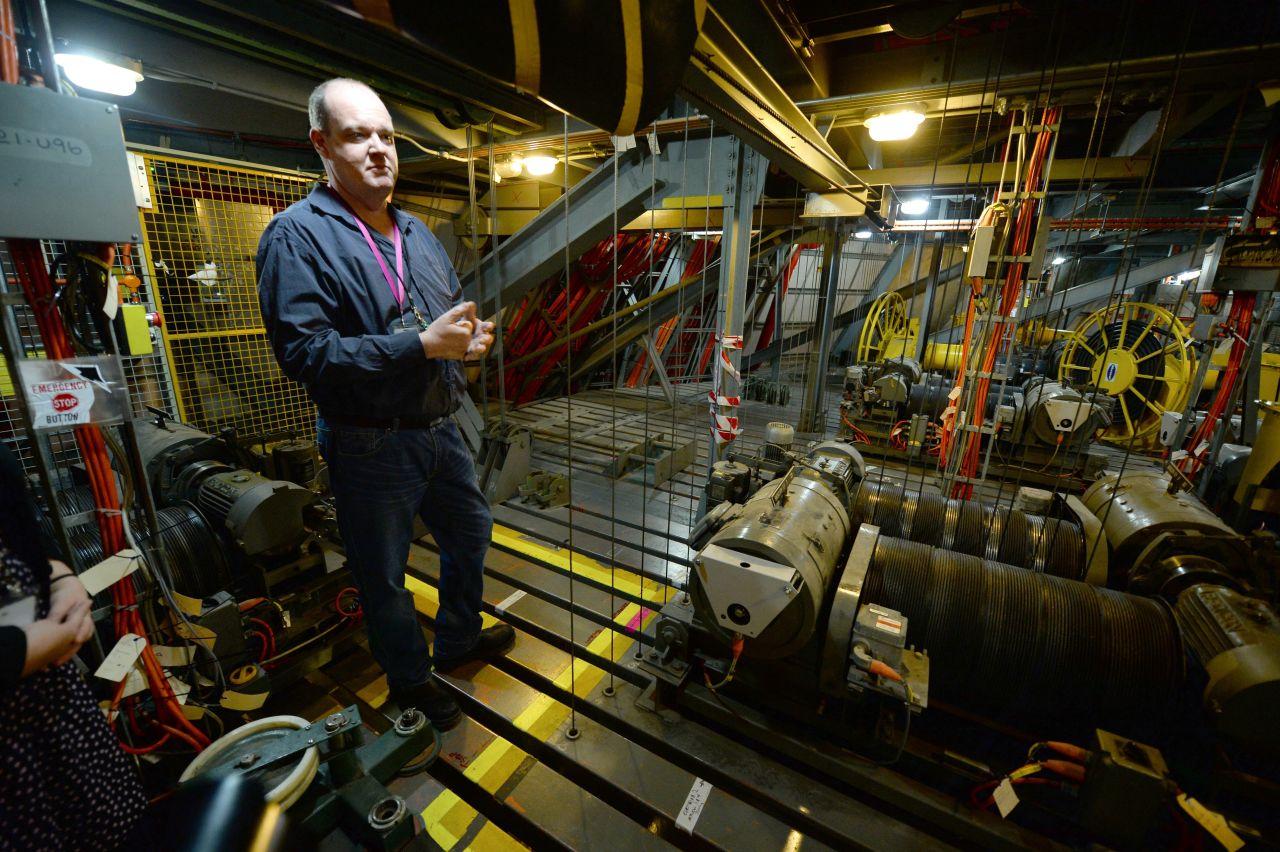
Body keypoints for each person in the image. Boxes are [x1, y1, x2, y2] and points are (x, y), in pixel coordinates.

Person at [257, 78, 511, 729]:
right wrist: (420, 346)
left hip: (439, 427)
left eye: (387, 136)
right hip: (370, 439)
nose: (378, 149)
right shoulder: (296, 237)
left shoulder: (419, 233)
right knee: (385, 575)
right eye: (357, 135)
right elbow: (304, 354)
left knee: (471, 533)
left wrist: (464, 343)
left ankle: (457, 637)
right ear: (322, 144)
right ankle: (409, 680)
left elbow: (444, 315)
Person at [0, 442, 148, 849]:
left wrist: (63, 578)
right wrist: (33, 645)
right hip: (11, 764)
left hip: (59, 710)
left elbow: (22, 526)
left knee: (113, 826)